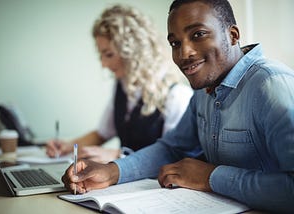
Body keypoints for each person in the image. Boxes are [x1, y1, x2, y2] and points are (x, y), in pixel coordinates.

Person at [62, 0, 294, 213]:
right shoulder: (204, 90)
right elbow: (172, 148)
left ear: (232, 35)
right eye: (175, 43)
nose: (184, 53)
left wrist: (211, 177)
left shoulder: (272, 86)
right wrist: (111, 171)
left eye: (198, 34)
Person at [46, 4, 194, 163]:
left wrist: (118, 155)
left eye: (108, 54)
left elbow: (174, 157)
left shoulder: (177, 96)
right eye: (101, 55)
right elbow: (102, 133)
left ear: (133, 52)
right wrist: (69, 145)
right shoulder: (122, 85)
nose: (103, 64)